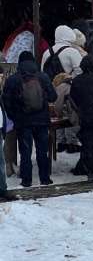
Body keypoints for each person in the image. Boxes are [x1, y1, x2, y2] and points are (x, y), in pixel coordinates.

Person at [1, 52, 56, 187]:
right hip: (42, 120)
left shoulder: (13, 79)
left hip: (23, 121)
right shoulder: (43, 77)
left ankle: (27, 180)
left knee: (25, 152)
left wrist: (14, 116)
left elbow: (6, 101)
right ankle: (45, 178)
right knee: (42, 150)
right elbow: (53, 96)